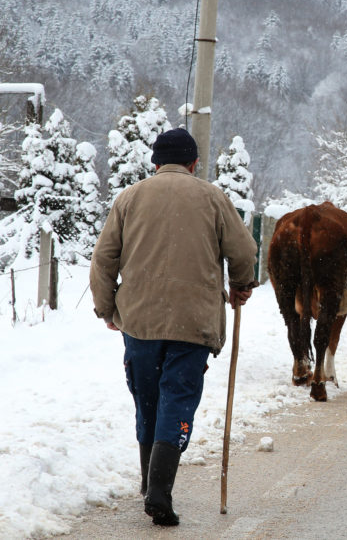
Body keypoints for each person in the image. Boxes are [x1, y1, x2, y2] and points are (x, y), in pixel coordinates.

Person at [89, 127, 258, 526]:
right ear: (194, 163)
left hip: (140, 320)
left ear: (155, 163)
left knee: (147, 400)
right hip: (194, 322)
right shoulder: (213, 197)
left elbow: (103, 260)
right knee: (177, 398)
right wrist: (241, 285)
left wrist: (106, 308)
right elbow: (244, 249)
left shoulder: (129, 198)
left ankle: (150, 484)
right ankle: (160, 490)